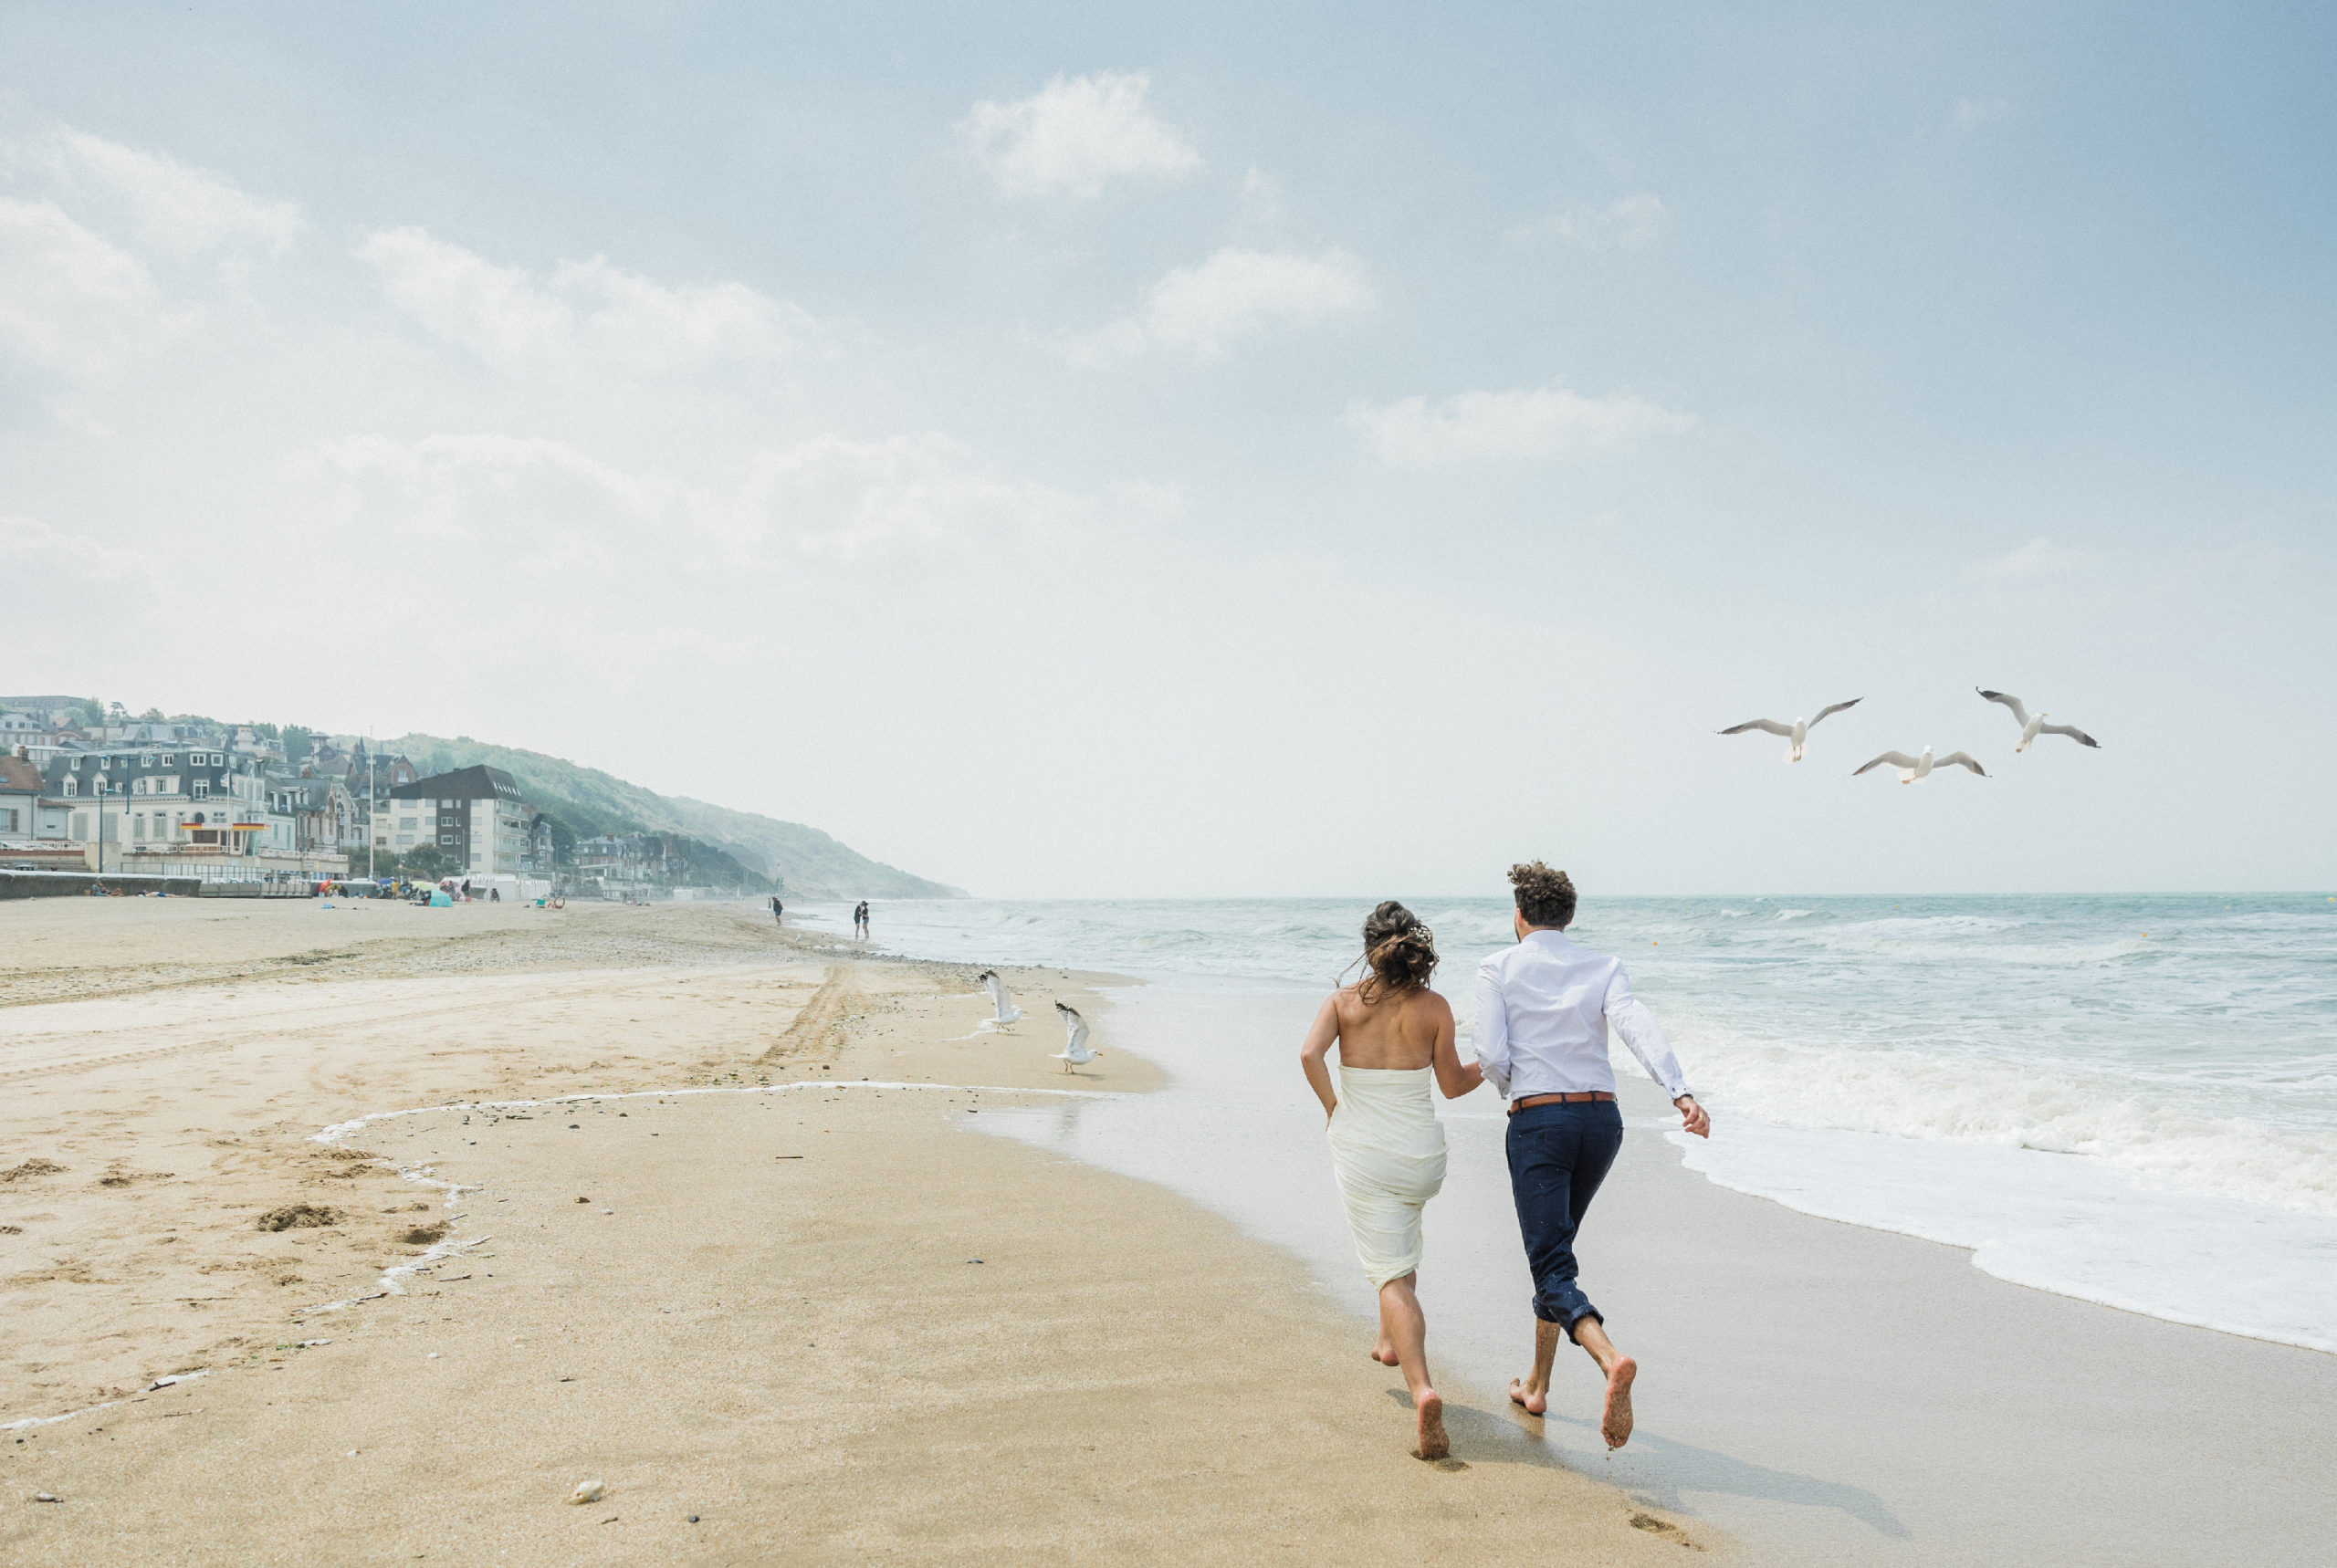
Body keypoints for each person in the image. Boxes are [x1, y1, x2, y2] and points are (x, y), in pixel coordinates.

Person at [1475, 862, 1709, 1450]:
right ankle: (1536, 1384)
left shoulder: (1498, 967)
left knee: (1550, 1260)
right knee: (1556, 1250)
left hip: (1540, 1121)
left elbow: (1490, 1050)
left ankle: (1609, 1358)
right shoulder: (1604, 967)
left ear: (1520, 916)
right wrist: (1679, 1091)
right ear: (1568, 916)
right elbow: (1637, 1026)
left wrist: (1513, 1091)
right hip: (1602, 1121)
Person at [1299, 901, 1482, 1460]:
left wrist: (1334, 1106)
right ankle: (1387, 1343)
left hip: (1366, 1152)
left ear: (1370, 945)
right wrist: (1500, 1065)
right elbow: (1453, 1085)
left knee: (1389, 1274)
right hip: (1422, 1156)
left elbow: (1309, 1055)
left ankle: (1423, 1389)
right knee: (1399, 1245)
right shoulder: (1434, 1008)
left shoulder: (1343, 1002)